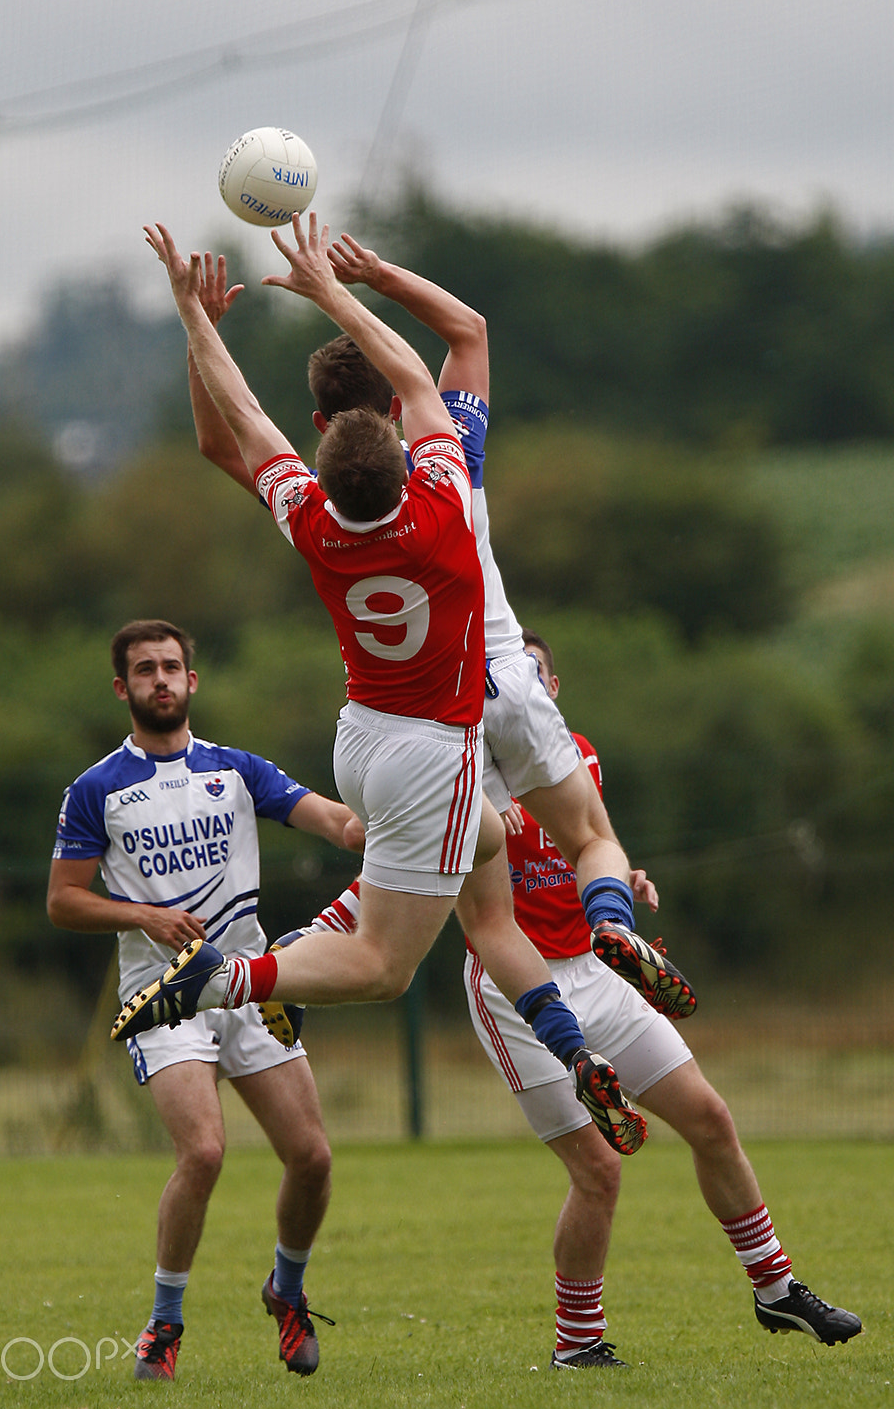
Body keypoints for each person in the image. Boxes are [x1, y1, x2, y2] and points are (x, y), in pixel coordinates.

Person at [116, 218, 639, 1151]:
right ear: (403, 448)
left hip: (362, 735)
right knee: (385, 966)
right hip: (449, 735)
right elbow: (428, 365)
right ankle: (232, 978)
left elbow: (244, 420)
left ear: (320, 457)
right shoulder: (444, 498)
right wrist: (328, 286)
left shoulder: (311, 522)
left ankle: (563, 1036)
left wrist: (195, 316)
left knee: (489, 853)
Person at [291, 631, 863, 1367]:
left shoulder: (574, 758)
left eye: (528, 676)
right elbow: (385, 876)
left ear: (548, 693)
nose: (510, 691)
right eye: (497, 680)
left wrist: (627, 883)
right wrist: (312, 938)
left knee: (712, 1120)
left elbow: (591, 845)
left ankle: (776, 1288)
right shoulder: (453, 774)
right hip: (515, 991)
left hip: (596, 971)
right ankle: (577, 1345)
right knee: (600, 1168)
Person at [47, 619, 360, 1380]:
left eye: (172, 667)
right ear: (123, 689)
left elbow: (338, 822)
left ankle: (286, 1293)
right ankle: (165, 1322)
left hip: (251, 988)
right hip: (163, 997)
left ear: (193, 681)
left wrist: (400, 813)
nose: (161, 680)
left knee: (313, 1157)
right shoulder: (97, 789)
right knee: (205, 1151)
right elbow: (63, 901)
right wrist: (145, 916)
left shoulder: (237, 770)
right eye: (145, 670)